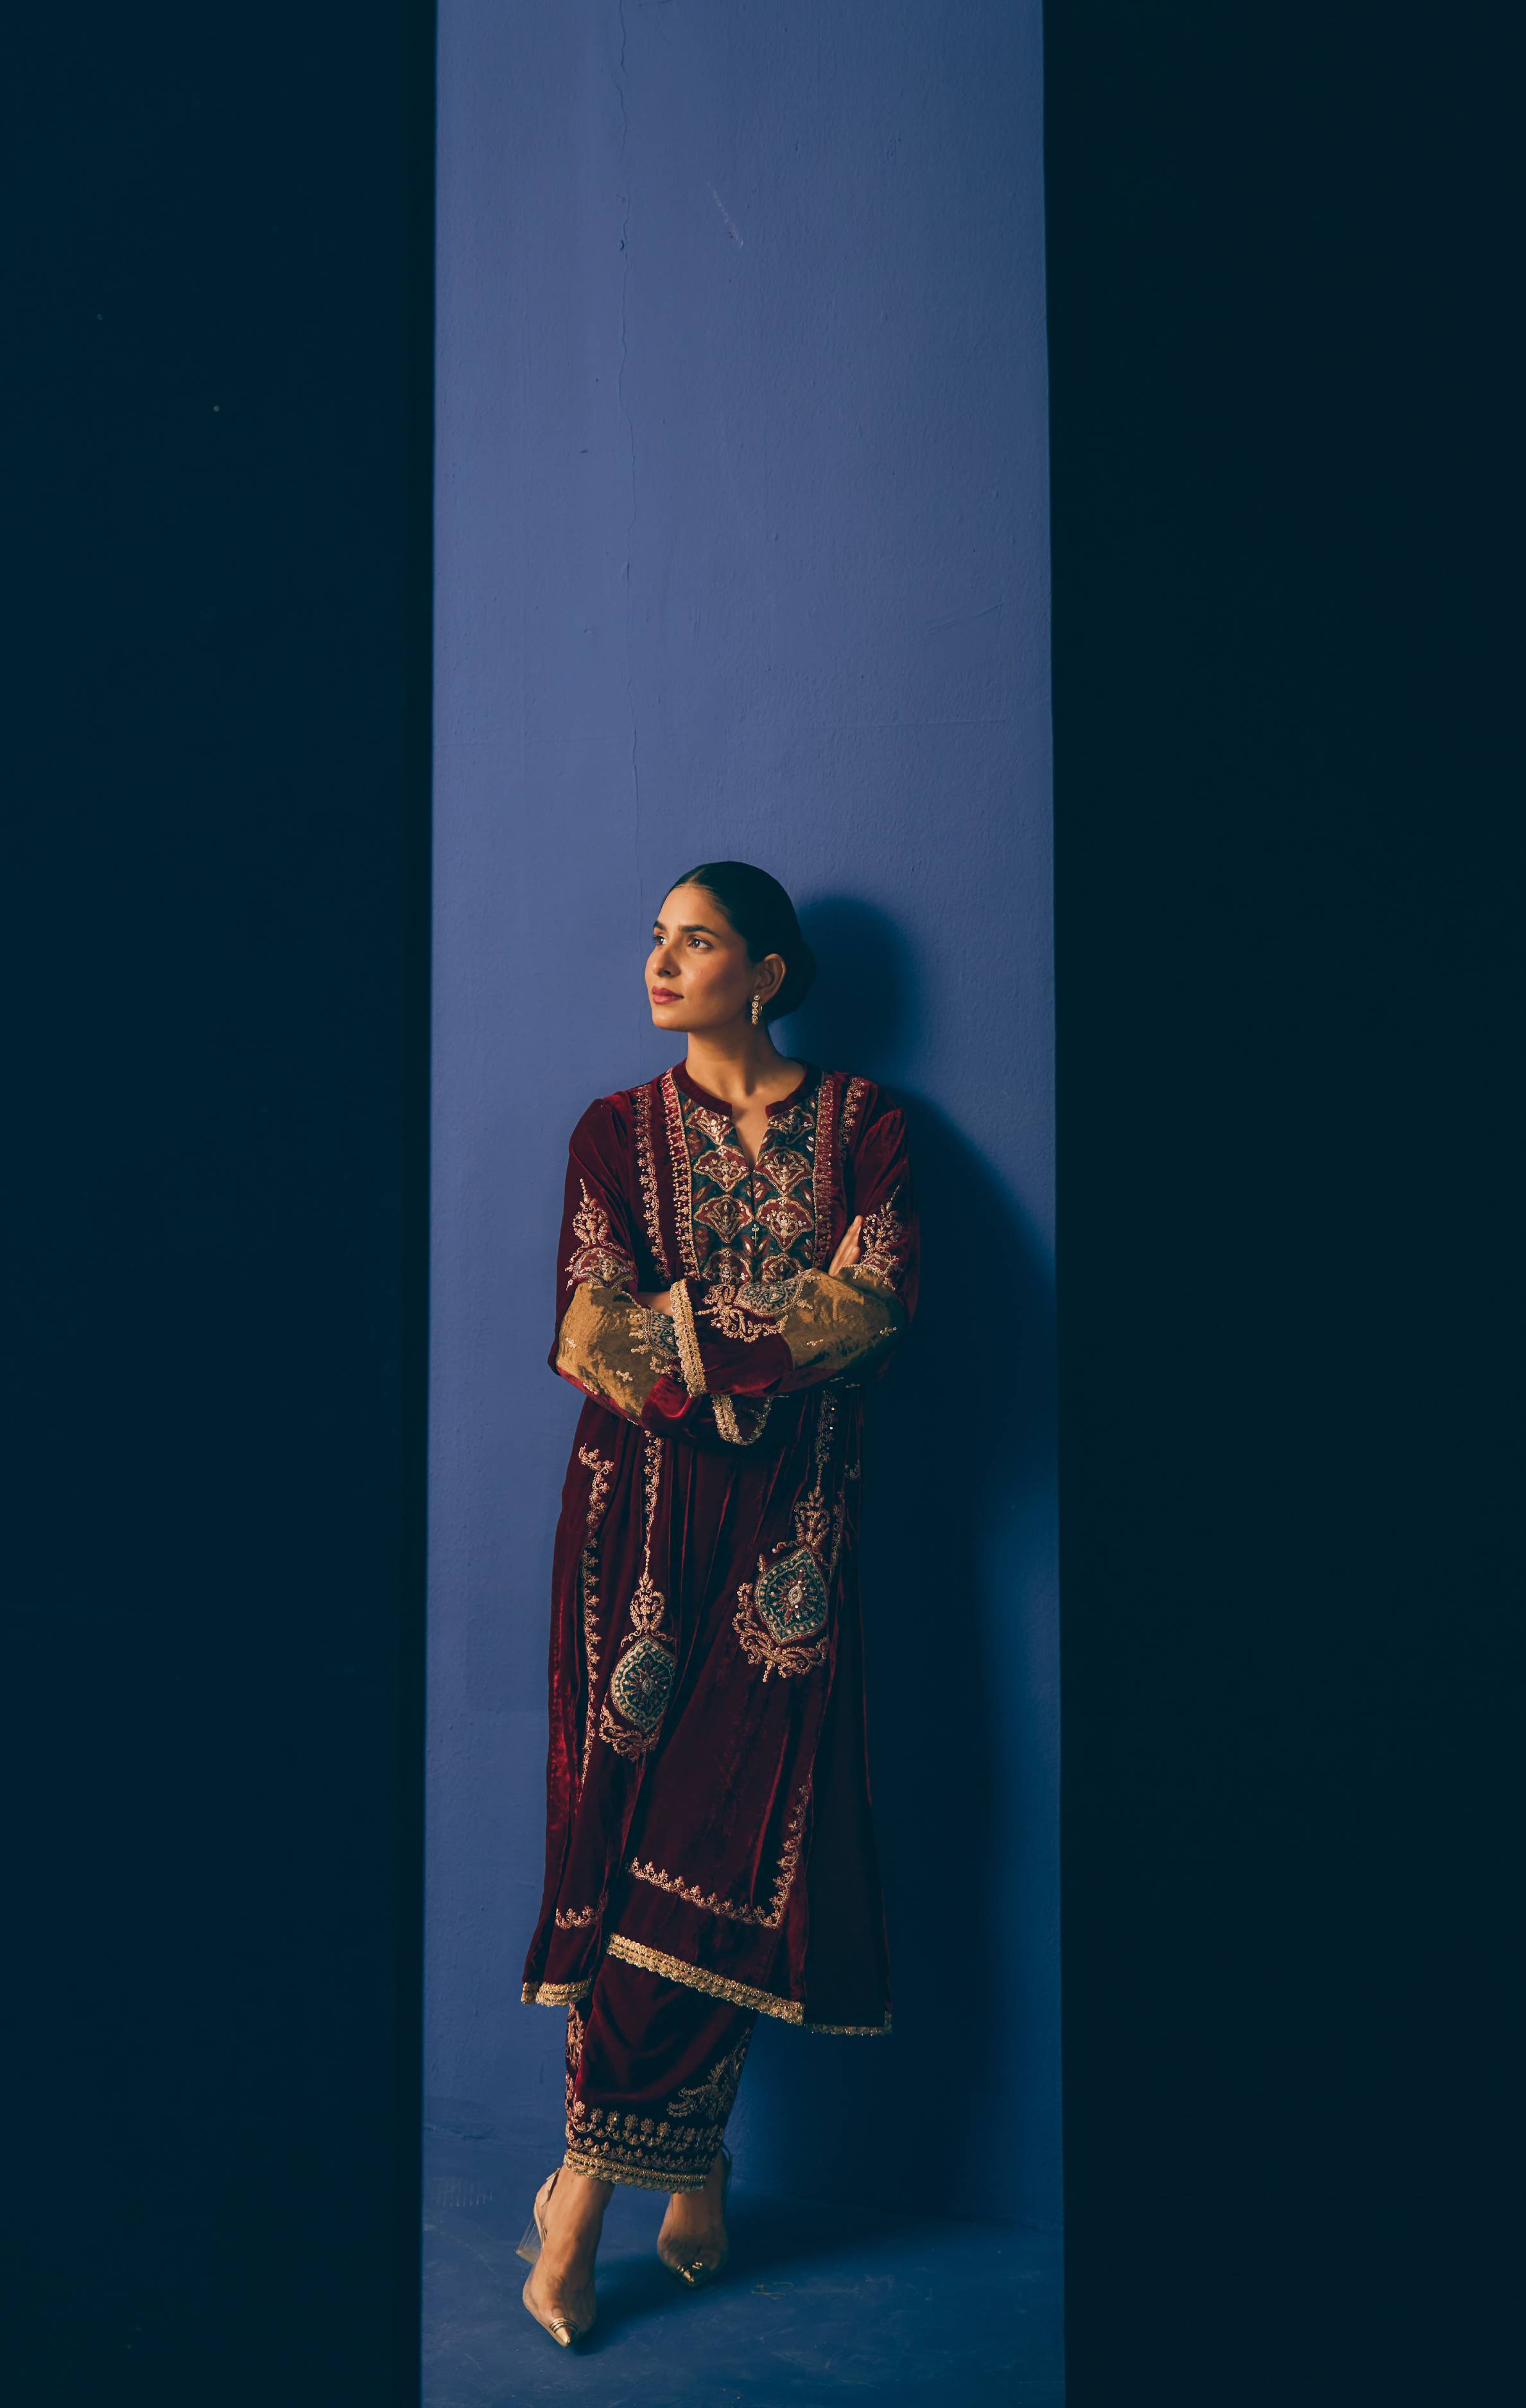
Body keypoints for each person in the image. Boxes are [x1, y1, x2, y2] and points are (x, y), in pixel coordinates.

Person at [514, 860, 920, 2347]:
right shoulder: (612, 1134)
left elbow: (870, 1303)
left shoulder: (866, 1127)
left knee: (735, 1845)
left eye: (695, 942)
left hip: (791, 1535)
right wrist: (743, 1351)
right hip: (634, 1526)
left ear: (766, 973)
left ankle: (580, 2202)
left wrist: (691, 1334)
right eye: (656, 939)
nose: (661, 961)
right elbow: (591, 1329)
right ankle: (681, 2171)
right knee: (622, 1839)